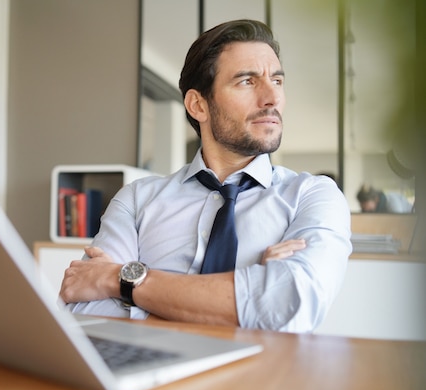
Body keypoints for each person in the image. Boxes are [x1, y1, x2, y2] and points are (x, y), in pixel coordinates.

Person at [60, 19, 352, 333]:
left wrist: (119, 280)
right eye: (247, 81)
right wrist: (247, 295)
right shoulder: (136, 199)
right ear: (198, 105)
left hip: (262, 379)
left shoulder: (314, 195)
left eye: (277, 81)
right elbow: (83, 307)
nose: (272, 98)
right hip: (148, 378)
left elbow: (291, 304)